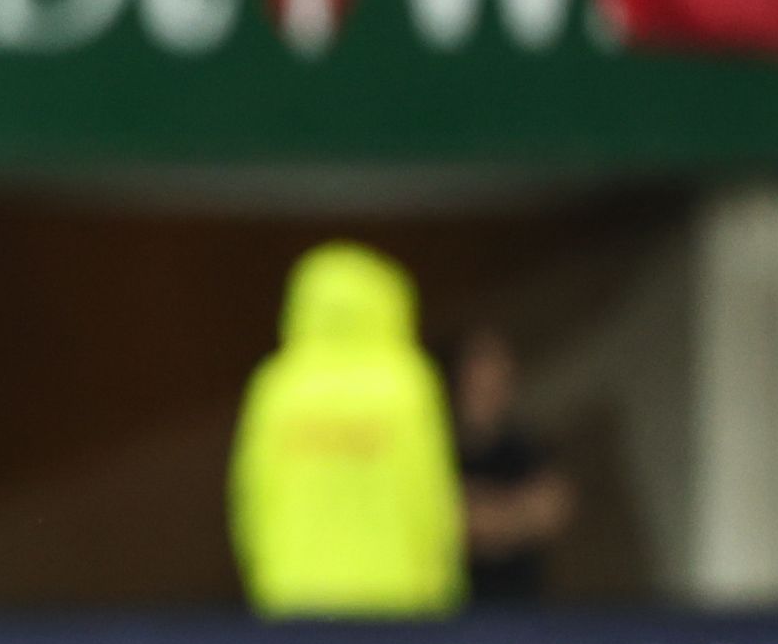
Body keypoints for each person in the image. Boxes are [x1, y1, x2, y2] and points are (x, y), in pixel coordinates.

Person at [229, 244, 463, 617]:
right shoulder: (407, 383)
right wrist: (441, 592)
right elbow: (430, 496)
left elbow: (251, 495)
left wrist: (261, 582)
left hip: (293, 595)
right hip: (397, 598)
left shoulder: (278, 387)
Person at [452, 324, 573, 605]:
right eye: (479, 372)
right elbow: (447, 521)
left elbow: (552, 511)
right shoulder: (437, 449)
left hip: (521, 613)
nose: (489, 385)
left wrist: (485, 514)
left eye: (499, 374)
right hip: (451, 618)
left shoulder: (528, 450)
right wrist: (516, 514)